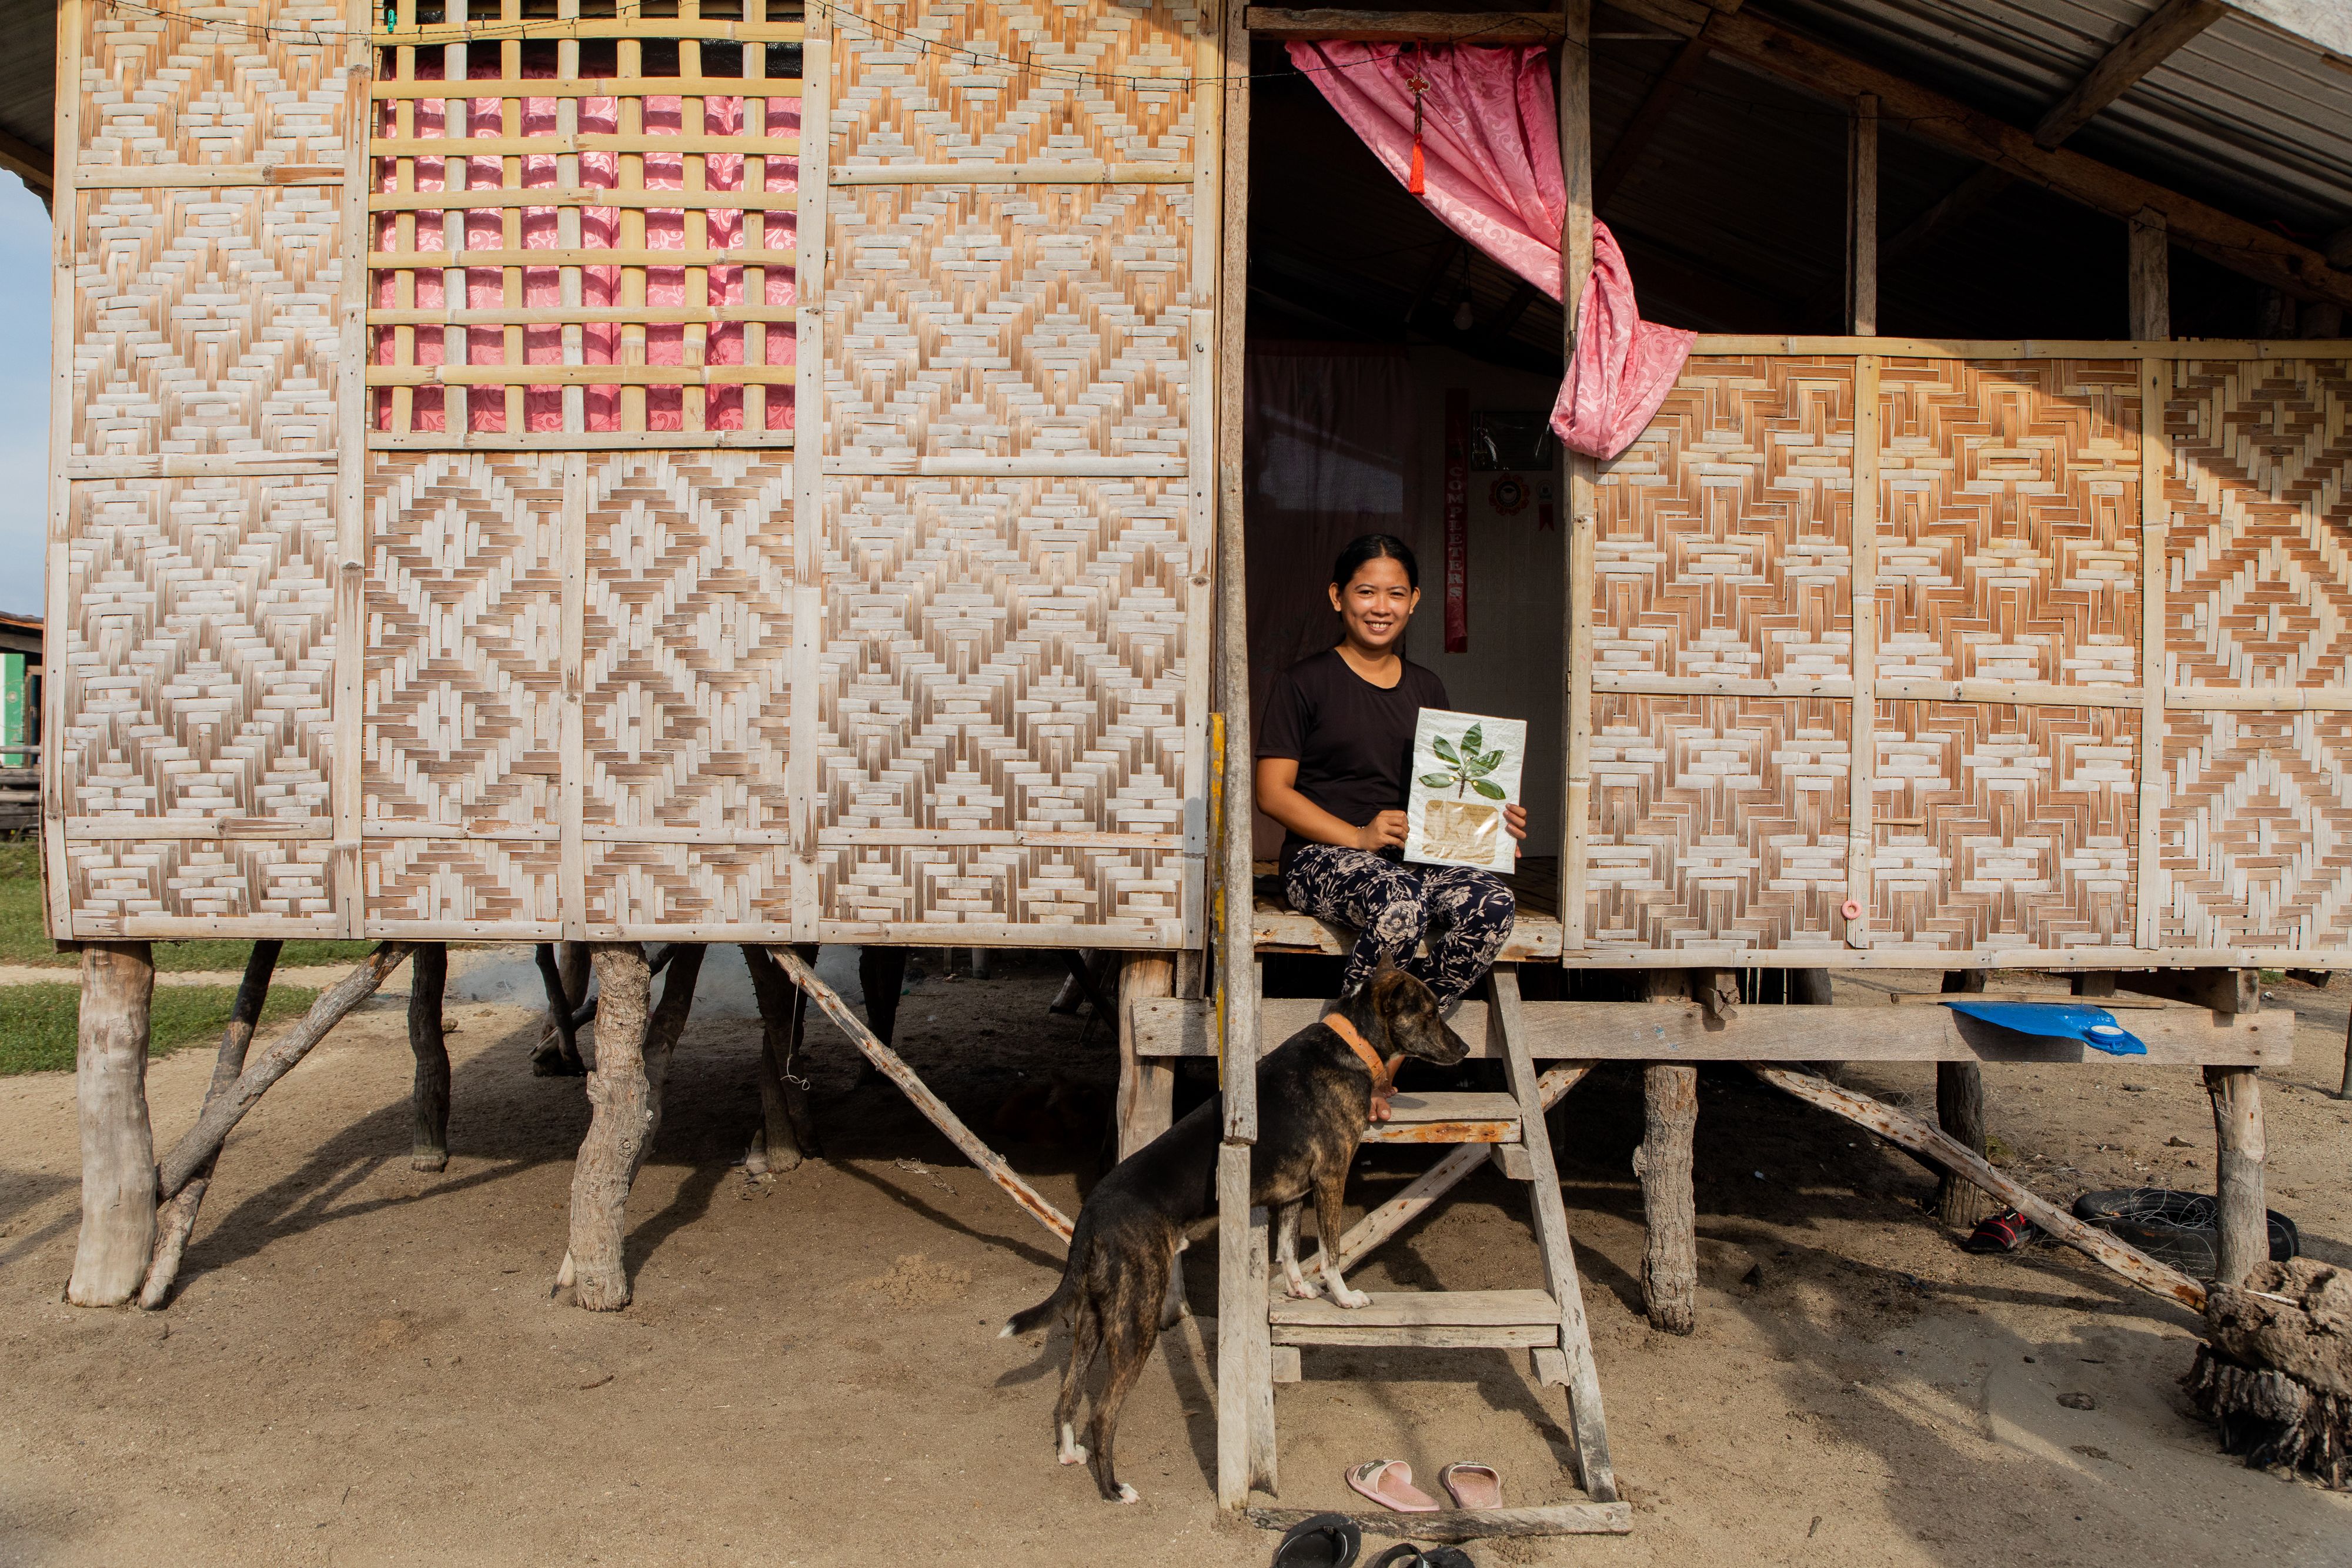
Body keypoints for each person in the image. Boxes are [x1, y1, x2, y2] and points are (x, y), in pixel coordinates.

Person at [1254, 534, 1522, 1007]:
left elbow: (1444, 792)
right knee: (1399, 902)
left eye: (1396, 594)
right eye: (1366, 592)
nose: (1382, 607)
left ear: (1414, 601)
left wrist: (1490, 831)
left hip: (1408, 858)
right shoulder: (1304, 682)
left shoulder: (1427, 687)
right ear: (1338, 596)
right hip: (1321, 857)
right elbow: (1272, 793)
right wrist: (1358, 836)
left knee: (1493, 902)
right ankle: (1353, 1045)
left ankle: (1396, 1045)